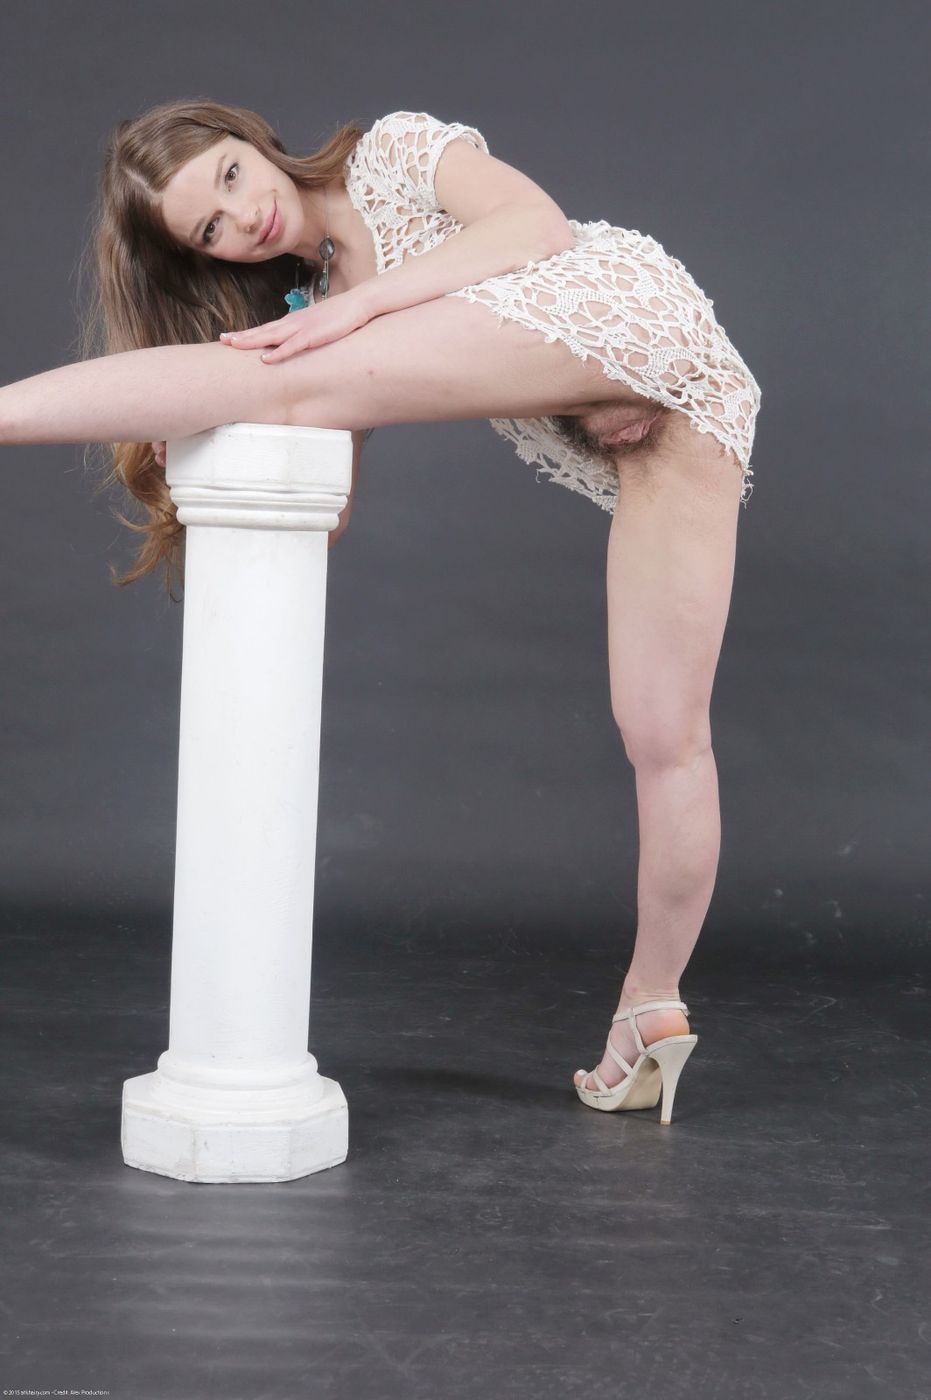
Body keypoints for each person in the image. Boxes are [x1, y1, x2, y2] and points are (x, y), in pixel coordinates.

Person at [0, 100, 762, 1124]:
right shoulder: (318, 298)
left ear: (250, 139)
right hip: (689, 403)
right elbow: (331, 498)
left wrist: (348, 320)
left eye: (231, 175)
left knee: (275, 379)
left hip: (632, 308)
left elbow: (533, 225)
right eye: (210, 228)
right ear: (201, 257)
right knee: (663, 735)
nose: (244, 216)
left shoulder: (392, 151)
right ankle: (649, 1007)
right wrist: (246, 437)